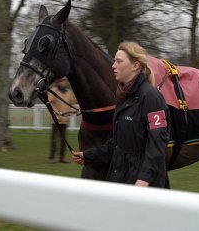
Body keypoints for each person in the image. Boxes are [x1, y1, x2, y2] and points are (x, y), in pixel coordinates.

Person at [72, 41, 170, 187]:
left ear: (135, 65)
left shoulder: (152, 97)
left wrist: (144, 179)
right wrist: (88, 155)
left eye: (118, 61)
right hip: (120, 181)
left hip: (142, 187)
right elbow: (118, 145)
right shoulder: (123, 98)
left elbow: (157, 144)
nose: (113, 66)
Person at [47, 77, 77, 163]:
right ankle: (52, 157)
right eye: (63, 81)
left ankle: (62, 157)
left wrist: (70, 112)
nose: (65, 82)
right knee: (54, 139)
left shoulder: (69, 92)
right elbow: (51, 103)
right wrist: (57, 113)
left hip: (65, 120)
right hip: (55, 120)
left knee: (64, 140)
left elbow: (73, 103)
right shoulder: (53, 91)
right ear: (58, 82)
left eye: (65, 81)